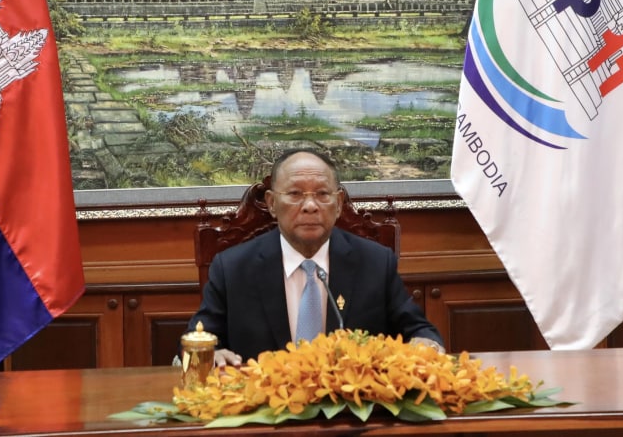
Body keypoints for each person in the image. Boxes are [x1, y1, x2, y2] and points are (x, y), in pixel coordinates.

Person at [187, 150, 444, 365]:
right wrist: (210, 355)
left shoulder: (375, 263)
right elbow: (197, 338)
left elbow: (419, 330)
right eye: (295, 194)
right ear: (272, 203)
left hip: (351, 411)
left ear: (339, 203)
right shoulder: (232, 268)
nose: (310, 205)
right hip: (262, 411)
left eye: (322, 194)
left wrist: (425, 344)